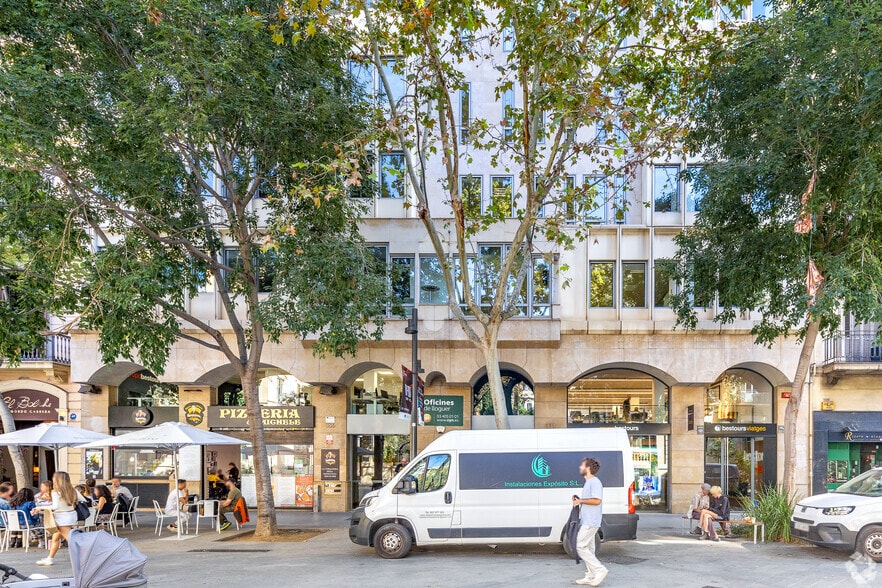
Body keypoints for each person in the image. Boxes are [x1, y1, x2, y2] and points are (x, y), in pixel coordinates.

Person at [572, 457, 609, 586]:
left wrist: (581, 501)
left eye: (582, 465)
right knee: (589, 548)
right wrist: (579, 500)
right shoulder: (589, 482)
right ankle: (590, 575)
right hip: (587, 521)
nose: (580, 467)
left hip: (591, 522)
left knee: (580, 546)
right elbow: (591, 500)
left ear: (588, 468)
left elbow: (597, 500)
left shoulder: (594, 482)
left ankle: (600, 570)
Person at [36, 471, 82, 566]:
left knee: (72, 540)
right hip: (70, 516)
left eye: (53, 477)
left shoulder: (56, 492)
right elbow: (84, 500)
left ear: (57, 479)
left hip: (61, 518)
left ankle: (86, 557)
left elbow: (55, 506)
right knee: (56, 539)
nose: (52, 479)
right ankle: (49, 558)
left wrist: (40, 507)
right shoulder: (73, 490)